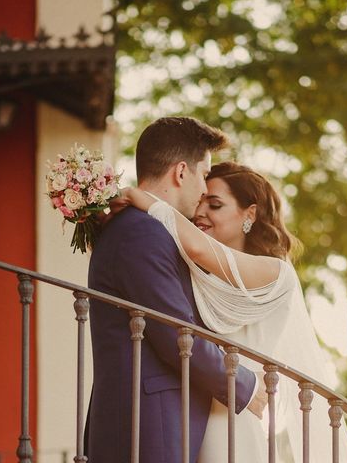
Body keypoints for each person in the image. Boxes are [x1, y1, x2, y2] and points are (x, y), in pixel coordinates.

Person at [116, 162, 347, 462]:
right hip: (193, 419)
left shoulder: (275, 272)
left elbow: (200, 249)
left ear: (249, 214)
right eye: (200, 201)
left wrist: (144, 199)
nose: (201, 211)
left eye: (215, 204)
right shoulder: (195, 273)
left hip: (236, 417)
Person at [86, 118, 267, 463]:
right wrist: (245, 384)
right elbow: (178, 336)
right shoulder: (143, 232)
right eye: (203, 174)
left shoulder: (138, 228)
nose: (203, 189)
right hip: (149, 428)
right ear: (181, 172)